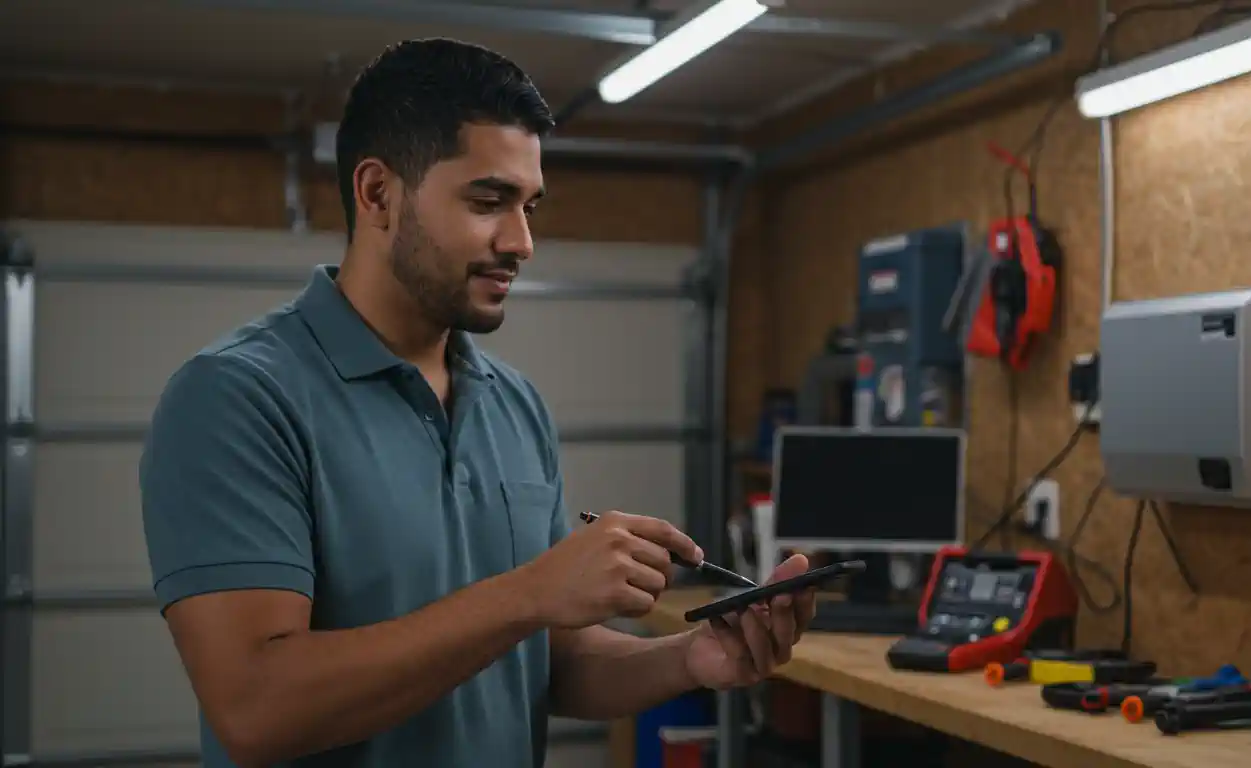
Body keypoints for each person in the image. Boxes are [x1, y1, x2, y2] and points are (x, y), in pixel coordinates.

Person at [139, 37, 816, 768]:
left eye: (529, 206)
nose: (522, 241)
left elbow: (549, 662)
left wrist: (690, 659)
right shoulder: (238, 398)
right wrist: (529, 593)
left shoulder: (514, 406)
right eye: (488, 201)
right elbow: (256, 708)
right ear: (378, 195)